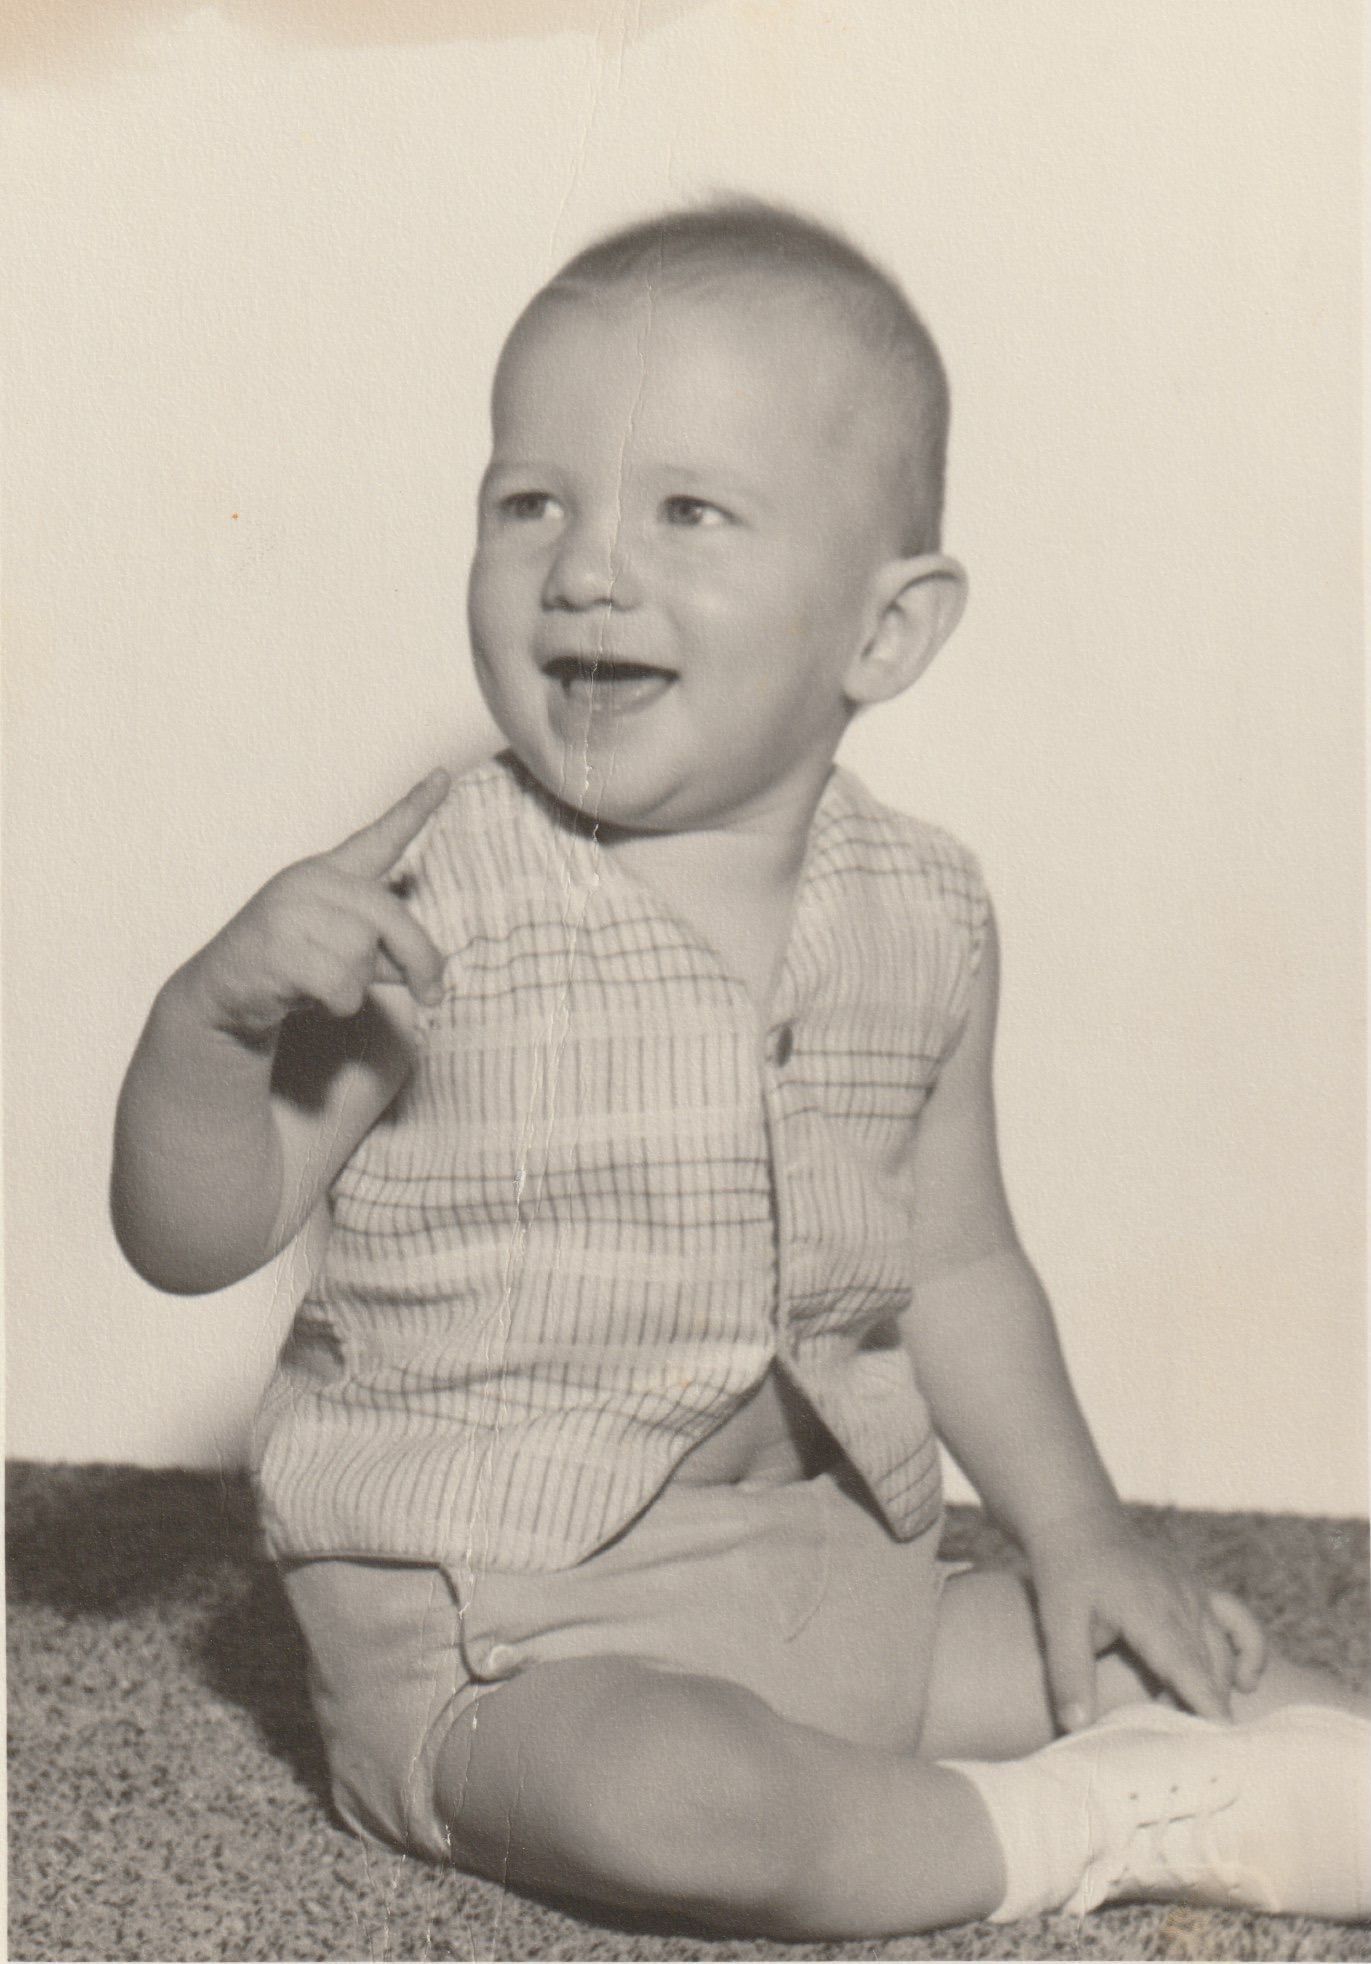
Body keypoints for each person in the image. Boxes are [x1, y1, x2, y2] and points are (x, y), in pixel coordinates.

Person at [111, 201, 1369, 1938]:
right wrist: (204, 1025)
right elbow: (197, 1232)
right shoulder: (427, 902)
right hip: (505, 1640)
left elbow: (960, 1265)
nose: (586, 568)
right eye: (529, 503)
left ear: (885, 634)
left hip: (839, 1591)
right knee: (687, 1802)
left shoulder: (925, 909)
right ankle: (1087, 1830)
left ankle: (1232, 1763)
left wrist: (1081, 1531)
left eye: (685, 512)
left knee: (1193, 1652)